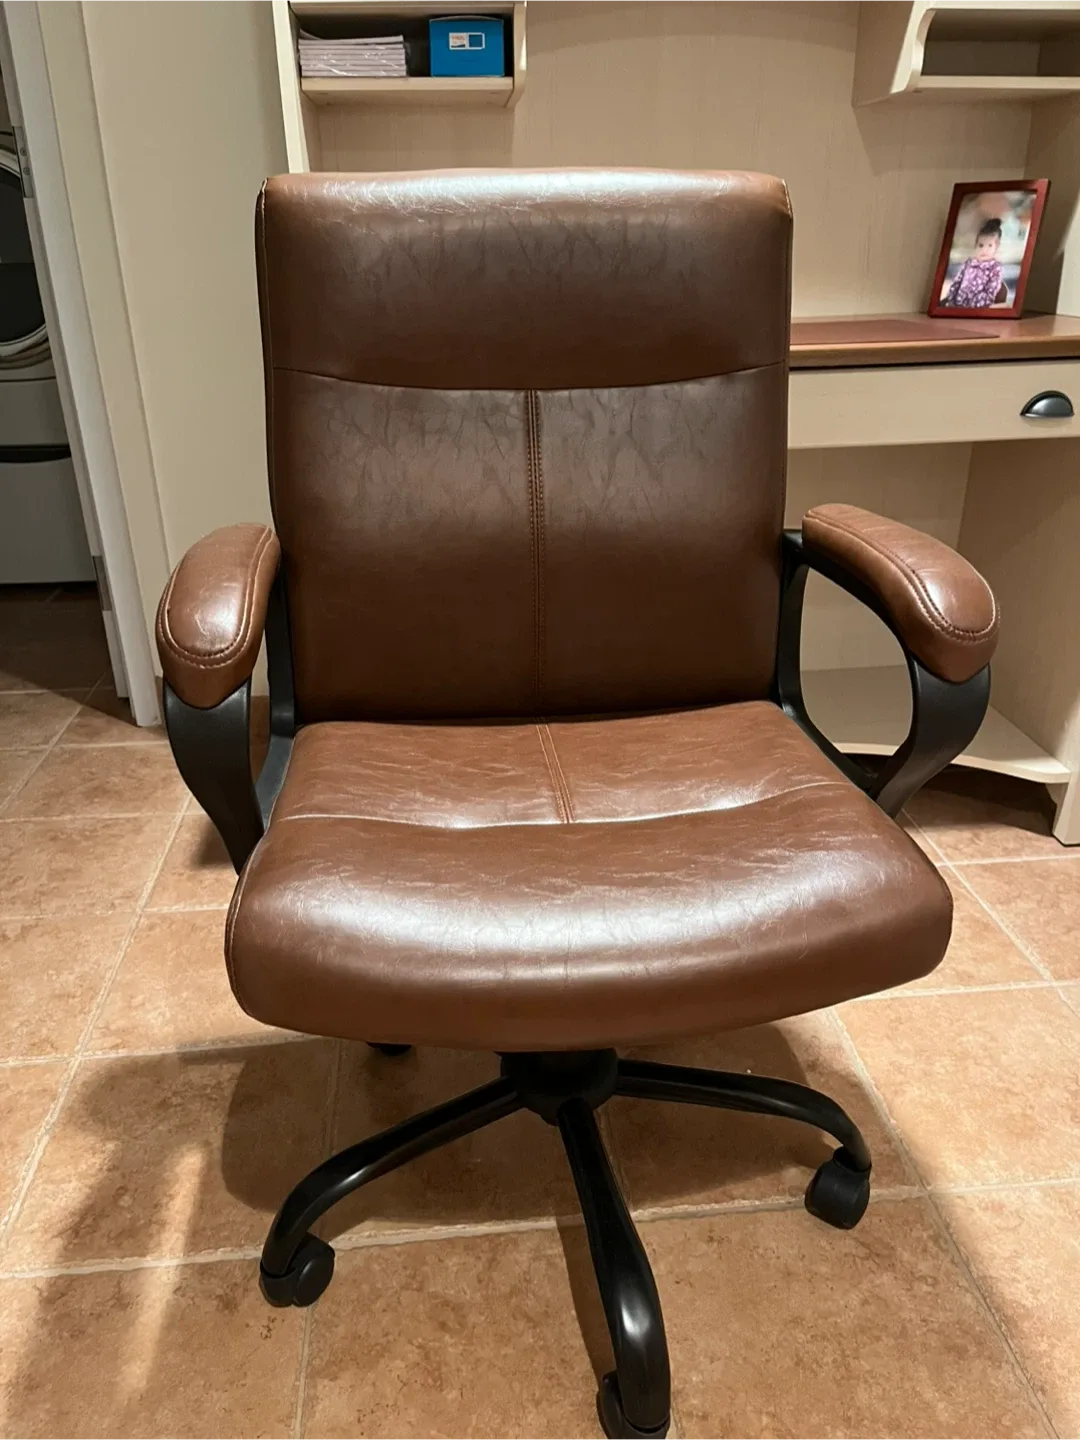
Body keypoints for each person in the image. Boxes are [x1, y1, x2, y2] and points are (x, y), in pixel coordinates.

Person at [945, 217, 1006, 309]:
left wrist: (972, 306)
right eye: (981, 245)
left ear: (996, 247)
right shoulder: (968, 264)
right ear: (975, 245)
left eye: (990, 246)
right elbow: (957, 283)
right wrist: (951, 300)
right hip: (957, 306)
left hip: (979, 308)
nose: (984, 250)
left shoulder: (995, 268)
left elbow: (990, 292)